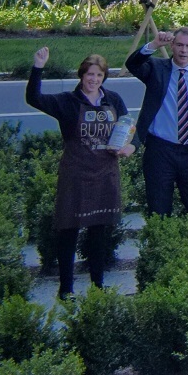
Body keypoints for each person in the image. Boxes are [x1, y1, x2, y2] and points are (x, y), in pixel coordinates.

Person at [25, 48, 132, 296]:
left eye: (98, 74)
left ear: (104, 77)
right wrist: (38, 67)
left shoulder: (113, 100)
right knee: (69, 231)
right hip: (76, 174)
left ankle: (97, 286)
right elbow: (34, 98)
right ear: (81, 76)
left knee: (98, 232)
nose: (93, 79)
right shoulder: (67, 101)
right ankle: (66, 289)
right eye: (89, 74)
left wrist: (128, 146)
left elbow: (127, 126)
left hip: (106, 174)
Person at [125, 27, 188, 216]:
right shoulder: (156, 69)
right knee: (159, 210)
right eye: (179, 45)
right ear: (172, 45)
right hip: (160, 151)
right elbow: (132, 64)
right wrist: (154, 45)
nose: (183, 50)